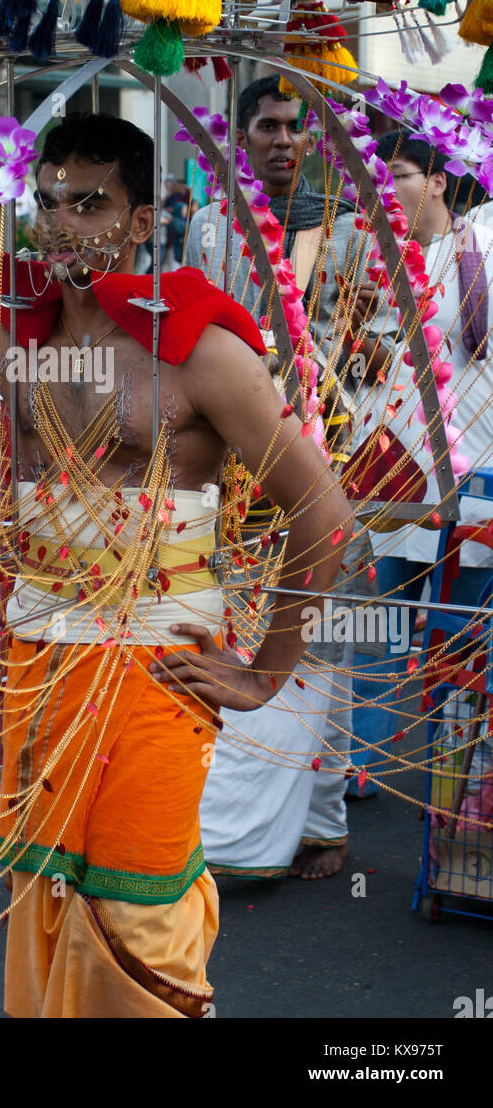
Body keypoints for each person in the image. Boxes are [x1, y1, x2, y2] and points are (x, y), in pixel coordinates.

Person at [0, 45, 351, 1018]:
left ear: (141, 220)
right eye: (50, 202)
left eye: (90, 205)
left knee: (138, 913)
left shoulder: (197, 352)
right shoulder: (11, 329)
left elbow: (318, 509)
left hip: (155, 672)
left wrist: (263, 672)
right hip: (39, 663)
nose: (64, 225)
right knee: (47, 895)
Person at [185, 75, 390, 879]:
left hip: (327, 456)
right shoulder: (209, 224)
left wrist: (332, 343)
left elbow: (381, 346)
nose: (281, 139)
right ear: (243, 137)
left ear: (311, 142)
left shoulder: (346, 233)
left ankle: (322, 822)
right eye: (266, 126)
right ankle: (266, 816)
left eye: (294, 128)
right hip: (236, 458)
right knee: (257, 623)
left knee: (326, 634)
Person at [348, 131, 493, 791]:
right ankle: (359, 771)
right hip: (390, 470)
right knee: (378, 627)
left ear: (437, 180)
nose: (380, 192)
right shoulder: (362, 253)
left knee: (456, 642)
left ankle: (447, 781)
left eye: (397, 175)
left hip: (474, 473)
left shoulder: (480, 249)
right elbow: (340, 357)